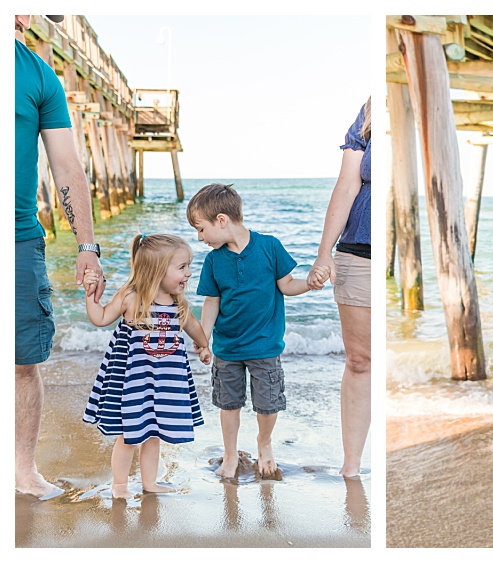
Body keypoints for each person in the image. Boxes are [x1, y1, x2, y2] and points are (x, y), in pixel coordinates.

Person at [15, 14, 106, 499]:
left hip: (19, 239)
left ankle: (22, 471)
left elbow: (68, 167)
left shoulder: (38, 74)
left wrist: (87, 247)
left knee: (22, 361)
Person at [187, 183, 320, 480]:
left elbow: (287, 285)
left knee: (268, 404)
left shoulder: (270, 247)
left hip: (265, 345)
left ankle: (264, 442)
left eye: (201, 229)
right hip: (228, 348)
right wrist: (203, 338)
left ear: (221, 220)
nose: (200, 237)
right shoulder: (213, 260)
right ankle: (230, 453)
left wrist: (309, 284)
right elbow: (212, 302)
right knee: (228, 404)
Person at [80, 234, 212, 498]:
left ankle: (150, 483)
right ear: (157, 270)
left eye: (188, 266)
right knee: (129, 434)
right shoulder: (131, 298)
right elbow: (101, 317)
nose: (188, 273)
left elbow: (194, 326)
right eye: (182, 267)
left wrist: (204, 345)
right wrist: (91, 295)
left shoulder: (178, 304)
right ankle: (120, 486)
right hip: (134, 380)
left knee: (153, 433)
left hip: (163, 381)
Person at [307, 97, 371, 477]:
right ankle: (352, 466)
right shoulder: (367, 114)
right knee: (360, 360)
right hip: (358, 252)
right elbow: (347, 185)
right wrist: (323, 253)